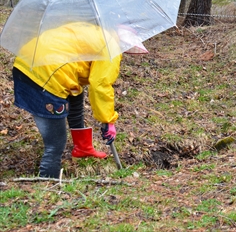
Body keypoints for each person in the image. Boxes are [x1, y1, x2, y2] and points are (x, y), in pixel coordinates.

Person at [11, 22, 147, 178]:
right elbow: (100, 85)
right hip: (45, 75)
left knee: (75, 92)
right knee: (55, 143)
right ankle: (47, 183)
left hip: (25, 63)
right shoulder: (111, 47)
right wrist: (108, 120)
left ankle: (83, 148)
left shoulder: (93, 31)